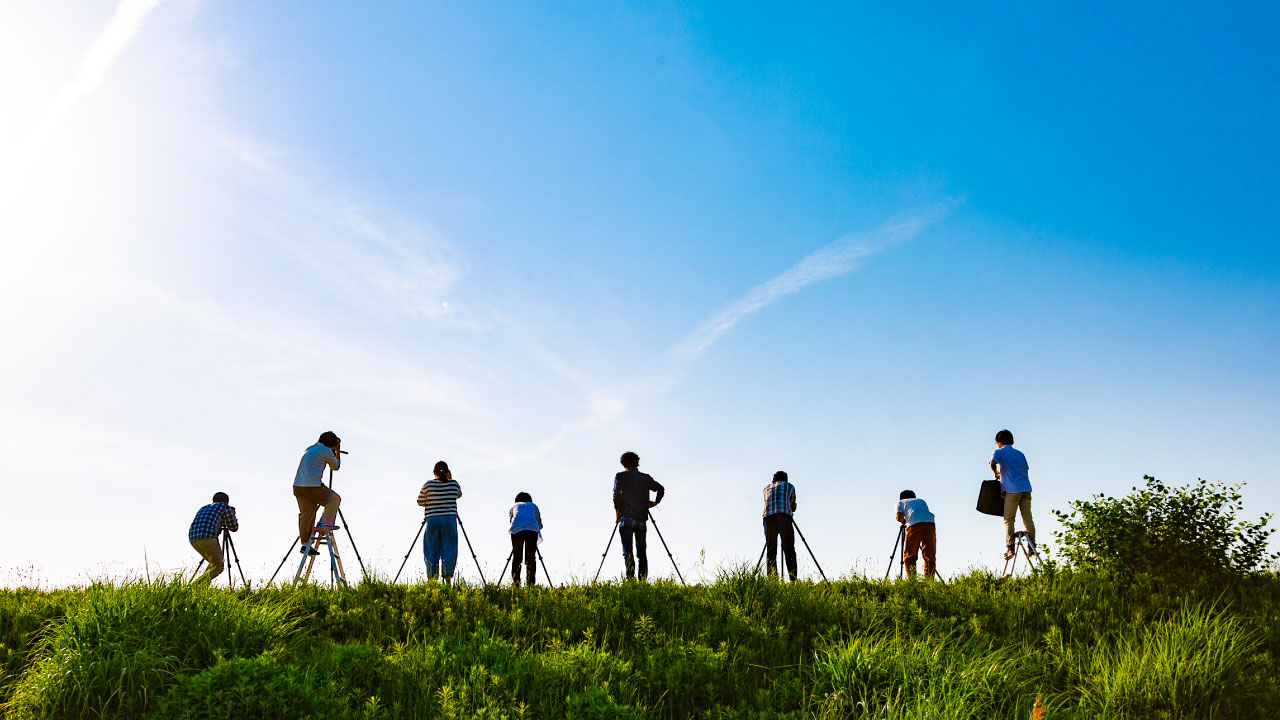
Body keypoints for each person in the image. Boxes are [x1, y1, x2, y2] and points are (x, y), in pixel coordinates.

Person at [612, 451, 664, 580]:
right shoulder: (645, 478)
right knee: (642, 553)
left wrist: (617, 513)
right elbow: (660, 488)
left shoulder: (620, 476)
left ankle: (630, 581)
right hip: (641, 520)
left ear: (623, 464)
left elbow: (616, 495)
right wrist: (655, 502)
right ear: (637, 463)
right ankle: (643, 582)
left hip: (626, 518)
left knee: (627, 552)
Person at [293, 431, 342, 555]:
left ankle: (305, 545)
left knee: (306, 514)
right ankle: (324, 524)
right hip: (312, 486)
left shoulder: (310, 448)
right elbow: (335, 466)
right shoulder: (326, 451)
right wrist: (337, 453)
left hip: (298, 486)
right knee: (334, 499)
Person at [990, 428, 1035, 558]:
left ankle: (1010, 548)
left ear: (999, 442)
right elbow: (1025, 471)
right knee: (1028, 519)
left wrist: (996, 473)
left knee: (1009, 519)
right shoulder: (1020, 454)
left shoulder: (999, 451)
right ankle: (1032, 547)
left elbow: (992, 463)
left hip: (1012, 490)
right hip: (1026, 488)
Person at [418, 460, 463, 583]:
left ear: (434, 472)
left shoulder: (428, 485)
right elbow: (459, 495)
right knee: (449, 548)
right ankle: (447, 580)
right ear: (448, 472)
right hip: (449, 519)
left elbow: (420, 501)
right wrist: (450, 479)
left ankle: (432, 580)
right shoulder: (454, 484)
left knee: (431, 549)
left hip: (432, 520)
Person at [188, 492, 238, 585]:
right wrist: (233, 516)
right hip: (207, 537)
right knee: (219, 566)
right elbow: (233, 527)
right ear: (227, 502)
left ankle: (202, 589)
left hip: (193, 538)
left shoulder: (204, 507)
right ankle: (194, 586)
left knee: (213, 564)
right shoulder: (224, 507)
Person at [762, 470, 798, 581]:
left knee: (771, 550)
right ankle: (793, 580)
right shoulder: (790, 486)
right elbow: (792, 506)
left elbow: (767, 502)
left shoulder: (766, 488)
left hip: (768, 518)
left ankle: (773, 581)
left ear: (773, 480)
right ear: (786, 479)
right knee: (789, 549)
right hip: (784, 516)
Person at [895, 490, 937, 579]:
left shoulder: (900, 502)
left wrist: (905, 522)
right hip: (930, 524)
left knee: (910, 555)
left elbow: (898, 517)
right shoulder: (921, 500)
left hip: (914, 525)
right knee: (929, 555)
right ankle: (929, 581)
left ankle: (912, 580)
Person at [508, 491, 543, 587]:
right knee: (530, 558)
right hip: (531, 530)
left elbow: (511, 521)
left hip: (516, 530)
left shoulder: (514, 506)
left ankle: (516, 584)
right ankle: (530, 584)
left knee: (517, 557)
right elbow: (539, 524)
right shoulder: (533, 506)